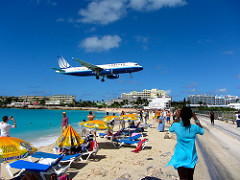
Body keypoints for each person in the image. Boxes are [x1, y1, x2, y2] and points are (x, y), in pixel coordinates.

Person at [166, 107, 204, 180]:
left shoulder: (176, 126)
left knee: (183, 178)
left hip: (180, 155)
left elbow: (171, 129)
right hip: (191, 156)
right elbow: (202, 131)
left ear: (181, 116)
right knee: (190, 178)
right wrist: (195, 118)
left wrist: (178, 116)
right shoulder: (194, 128)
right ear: (191, 116)